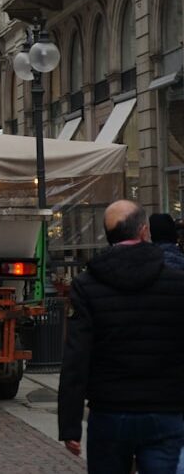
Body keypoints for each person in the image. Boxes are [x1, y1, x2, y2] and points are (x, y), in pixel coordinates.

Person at [58, 200, 184, 473]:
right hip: (164, 409)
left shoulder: (87, 285)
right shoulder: (176, 283)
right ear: (143, 231)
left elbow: (76, 358)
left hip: (109, 410)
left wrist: (70, 424)